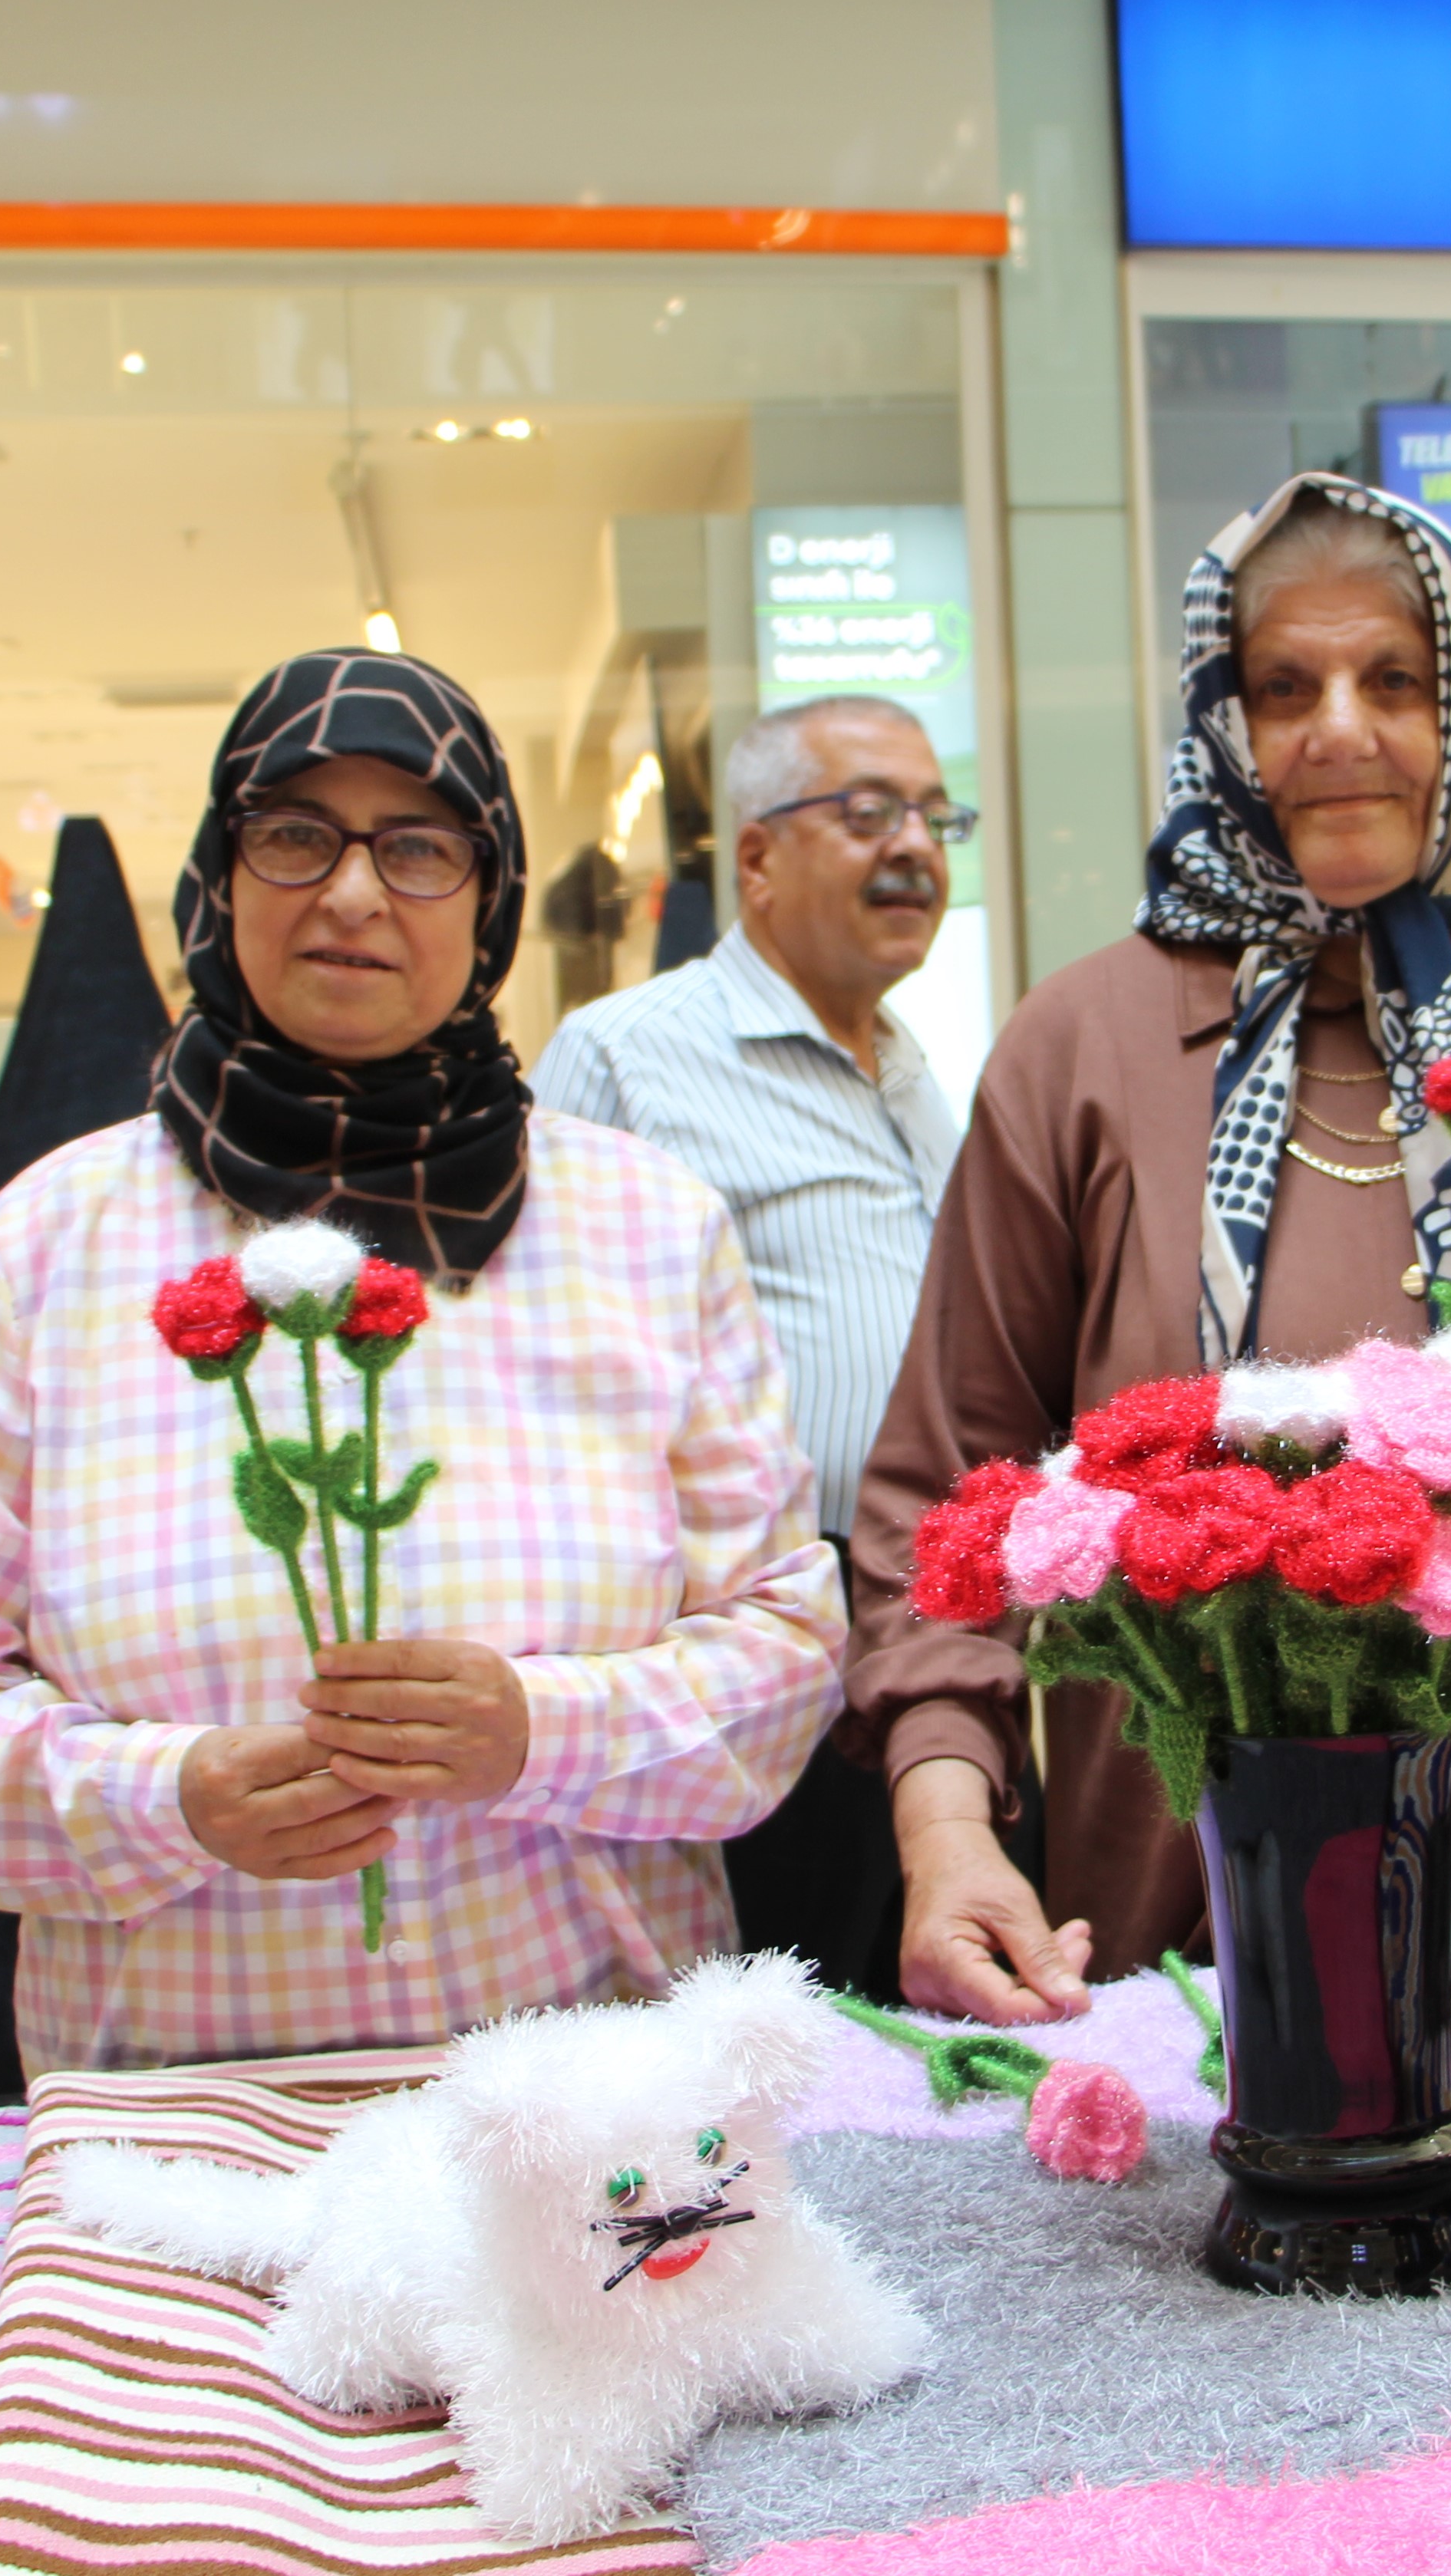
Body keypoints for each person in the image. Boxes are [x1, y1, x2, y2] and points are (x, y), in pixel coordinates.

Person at [845, 473, 1451, 2023]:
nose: (1341, 729)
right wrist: (951, 1829)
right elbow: (941, 1497)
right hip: (1191, 1967)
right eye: (1283, 686)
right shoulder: (1083, 1049)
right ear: (1217, 718)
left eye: (1396, 682)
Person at [0, 649, 844, 2074]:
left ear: (488, 900)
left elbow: (790, 1652)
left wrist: (535, 1731)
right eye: (298, 833)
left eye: (421, 847)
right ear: (219, 874)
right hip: (176, 2138)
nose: (355, 894)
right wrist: (164, 1795)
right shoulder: (48, 1245)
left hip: (594, 2131)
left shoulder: (646, 1228)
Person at [537, 695, 967, 1995]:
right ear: (760, 857)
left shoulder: (907, 1061)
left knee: (946, 2004)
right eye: (869, 811)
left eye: (937, 818)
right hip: (772, 1635)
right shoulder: (624, 1056)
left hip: (934, 1623)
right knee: (808, 2015)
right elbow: (551, 1379)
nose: (917, 849)